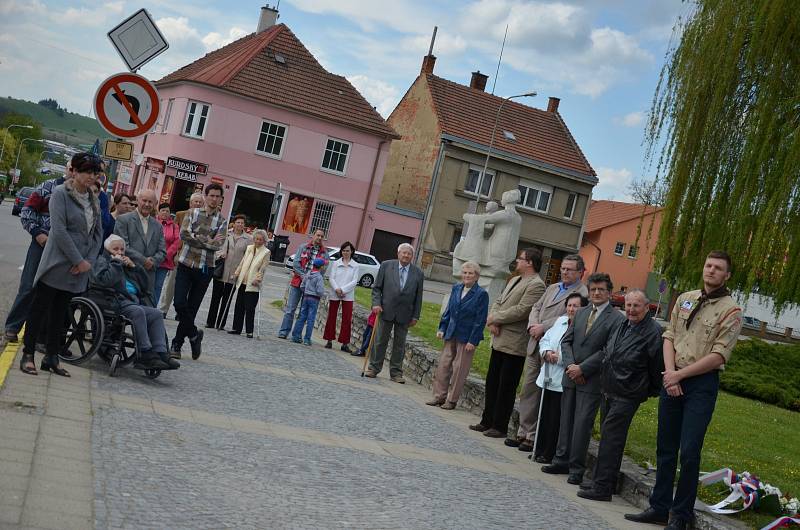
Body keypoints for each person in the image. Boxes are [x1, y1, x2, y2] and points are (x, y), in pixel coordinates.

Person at [625, 252, 742, 530]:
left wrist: (680, 375)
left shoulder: (731, 310)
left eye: (718, 268)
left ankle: (681, 514)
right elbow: (669, 337)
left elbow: (718, 356)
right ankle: (659, 507)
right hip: (672, 377)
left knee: (689, 450)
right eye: (708, 265)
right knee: (665, 447)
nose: (711, 271)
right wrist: (670, 375)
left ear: (727, 275)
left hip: (700, 383)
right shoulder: (685, 298)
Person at [18, 152, 104, 377]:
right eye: (85, 171)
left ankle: (52, 357)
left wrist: (88, 262)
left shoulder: (93, 199)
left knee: (61, 313)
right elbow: (59, 230)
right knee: (40, 309)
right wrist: (78, 260)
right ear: (74, 171)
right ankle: (28, 354)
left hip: (80, 266)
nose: (90, 177)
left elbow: (98, 234)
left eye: (94, 173)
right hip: (57, 262)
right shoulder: (60, 194)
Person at [578, 288, 662, 502]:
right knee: (609, 437)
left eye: (636, 306)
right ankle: (605, 480)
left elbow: (656, 367)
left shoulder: (652, 331)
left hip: (628, 392)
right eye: (628, 305)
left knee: (611, 440)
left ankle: (602, 487)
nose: (631, 310)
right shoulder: (623, 324)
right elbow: (609, 351)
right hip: (610, 389)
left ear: (646, 307)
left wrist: (646, 389)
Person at [541, 272, 626, 485]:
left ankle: (576, 468)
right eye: (593, 289)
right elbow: (566, 341)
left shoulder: (617, 319)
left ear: (609, 292)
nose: (597, 293)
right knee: (566, 419)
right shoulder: (581, 313)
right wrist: (571, 366)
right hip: (570, 376)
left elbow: (609, 350)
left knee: (582, 424)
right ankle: (561, 459)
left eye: (601, 290)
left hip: (592, 379)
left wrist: (583, 369)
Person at [508, 254, 588, 451]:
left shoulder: (581, 293)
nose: (565, 272)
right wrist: (533, 325)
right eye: (563, 268)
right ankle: (523, 431)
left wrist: (542, 327)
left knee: (545, 392)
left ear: (580, 272)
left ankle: (533, 436)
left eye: (570, 269)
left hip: (554, 349)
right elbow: (536, 306)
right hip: (536, 342)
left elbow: (566, 316)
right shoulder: (553, 287)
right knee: (528, 389)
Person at [468, 248, 545, 438]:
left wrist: (496, 318)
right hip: (499, 337)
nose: (517, 261)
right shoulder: (515, 279)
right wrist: (493, 318)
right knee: (492, 381)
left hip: (514, 342)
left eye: (521, 259)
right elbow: (499, 301)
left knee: (506, 386)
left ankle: (499, 425)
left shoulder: (536, 285)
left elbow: (522, 310)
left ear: (530, 263)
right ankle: (487, 420)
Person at [2, 163, 73, 345]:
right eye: (71, 168)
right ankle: (12, 328)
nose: (73, 173)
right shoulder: (47, 187)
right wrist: (38, 234)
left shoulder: (83, 196)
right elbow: (26, 212)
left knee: (51, 293)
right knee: (28, 287)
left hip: (66, 251)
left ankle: (38, 336)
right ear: (67, 169)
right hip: (41, 244)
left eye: (78, 170)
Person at [91, 235, 178, 370]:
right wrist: (116, 263)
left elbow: (145, 285)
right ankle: (144, 353)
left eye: (122, 249)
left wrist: (134, 267)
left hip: (132, 301)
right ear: (108, 250)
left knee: (156, 314)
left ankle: (161, 352)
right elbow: (104, 281)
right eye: (115, 249)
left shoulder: (126, 265)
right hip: (113, 300)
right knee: (138, 311)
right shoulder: (103, 261)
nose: (120, 252)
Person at [170, 184, 227, 360]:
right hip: (186, 264)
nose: (214, 199)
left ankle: (177, 344)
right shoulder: (192, 213)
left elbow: (218, 245)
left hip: (205, 269)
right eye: (212, 195)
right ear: (206, 196)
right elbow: (184, 235)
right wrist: (207, 239)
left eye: (218, 196)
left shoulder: (223, 221)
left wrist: (198, 237)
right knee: (179, 303)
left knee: (192, 307)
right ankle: (194, 335)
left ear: (221, 199)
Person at [532, 293, 588, 463]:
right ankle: (538, 448)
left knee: (556, 418)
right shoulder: (560, 321)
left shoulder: (583, 327)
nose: (571, 309)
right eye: (569, 305)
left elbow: (578, 351)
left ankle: (549, 452)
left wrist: (561, 358)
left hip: (563, 378)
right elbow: (546, 339)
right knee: (543, 414)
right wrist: (547, 352)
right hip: (548, 374)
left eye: (575, 306)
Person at [426, 261, 489, 410]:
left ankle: (452, 400)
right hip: (451, 333)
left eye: (470, 273)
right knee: (443, 366)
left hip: (467, 338)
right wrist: (442, 327)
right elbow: (448, 310)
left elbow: (480, 320)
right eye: (465, 273)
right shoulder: (456, 288)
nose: (466, 276)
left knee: (459, 370)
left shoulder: (481, 294)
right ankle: (438, 396)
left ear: (477, 277)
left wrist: (473, 340)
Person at [365, 243, 425, 384]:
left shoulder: (418, 273)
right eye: (403, 253)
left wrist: (416, 315)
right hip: (385, 310)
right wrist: (376, 303)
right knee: (380, 341)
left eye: (409, 253)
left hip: (405, 314)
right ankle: (373, 368)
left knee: (400, 345)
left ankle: (396, 373)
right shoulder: (386, 266)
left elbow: (419, 297)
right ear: (398, 254)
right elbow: (377, 288)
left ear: (412, 256)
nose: (406, 255)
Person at [158, 193, 204, 316]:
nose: (198, 204)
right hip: (179, 254)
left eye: (200, 202)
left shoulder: (205, 218)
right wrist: (173, 253)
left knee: (188, 286)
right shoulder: (180, 215)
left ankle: (181, 312)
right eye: (196, 201)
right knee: (171, 284)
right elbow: (175, 235)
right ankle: (163, 309)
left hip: (195, 257)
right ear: (190, 203)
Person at [278, 229, 330, 338]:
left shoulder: (324, 253)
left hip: (311, 287)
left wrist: (310, 279)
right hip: (298, 282)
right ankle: (283, 332)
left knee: (303, 312)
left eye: (322, 236)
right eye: (318, 235)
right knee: (290, 309)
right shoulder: (303, 247)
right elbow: (296, 264)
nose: (319, 238)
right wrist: (304, 277)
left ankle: (296, 335)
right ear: (313, 235)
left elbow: (323, 269)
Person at [113, 189, 166, 294]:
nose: (147, 204)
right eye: (144, 200)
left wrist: (152, 261)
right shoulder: (123, 220)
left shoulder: (158, 226)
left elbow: (162, 251)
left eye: (150, 202)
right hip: (127, 275)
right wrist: (143, 261)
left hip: (148, 279)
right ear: (137, 200)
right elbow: (122, 247)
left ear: (155, 204)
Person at [207, 214, 252, 330]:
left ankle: (221, 323)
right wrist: (219, 255)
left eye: (242, 223)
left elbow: (248, 256)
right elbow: (216, 248)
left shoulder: (248, 239)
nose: (240, 225)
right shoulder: (226, 234)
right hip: (221, 271)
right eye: (238, 222)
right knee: (215, 298)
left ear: (244, 225)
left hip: (234, 274)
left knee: (226, 300)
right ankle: (210, 322)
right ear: (234, 223)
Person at [228, 229, 270, 337]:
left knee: (250, 308)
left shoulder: (266, 252)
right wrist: (236, 273)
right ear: (254, 239)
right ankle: (236, 328)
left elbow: (263, 268)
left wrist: (258, 279)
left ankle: (249, 331)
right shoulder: (249, 248)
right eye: (256, 239)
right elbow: (243, 262)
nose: (258, 241)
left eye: (260, 240)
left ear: (264, 241)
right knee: (239, 306)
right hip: (242, 281)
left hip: (253, 284)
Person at [323, 241, 359, 352]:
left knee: (347, 319)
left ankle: (344, 343)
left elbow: (354, 281)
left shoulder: (356, 265)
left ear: (351, 251)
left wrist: (343, 290)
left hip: (348, 295)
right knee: (332, 317)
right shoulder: (336, 263)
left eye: (347, 250)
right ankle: (329, 340)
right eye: (343, 250)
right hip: (335, 292)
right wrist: (337, 289)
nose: (345, 252)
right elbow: (331, 278)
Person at [291, 257, 326, 345]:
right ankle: (307, 339)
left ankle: (296, 336)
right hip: (314, 298)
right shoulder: (319, 277)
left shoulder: (307, 274)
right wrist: (320, 295)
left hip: (306, 296)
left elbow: (302, 285)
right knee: (311, 319)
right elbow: (320, 290)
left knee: (302, 316)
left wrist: (306, 291)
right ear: (321, 267)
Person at [153, 203, 180, 305]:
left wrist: (165, 255)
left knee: (158, 285)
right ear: (158, 211)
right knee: (147, 284)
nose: (165, 212)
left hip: (164, 261)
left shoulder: (174, 226)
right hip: (151, 258)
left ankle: (153, 307)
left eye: (167, 211)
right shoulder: (153, 222)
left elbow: (176, 242)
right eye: (163, 210)